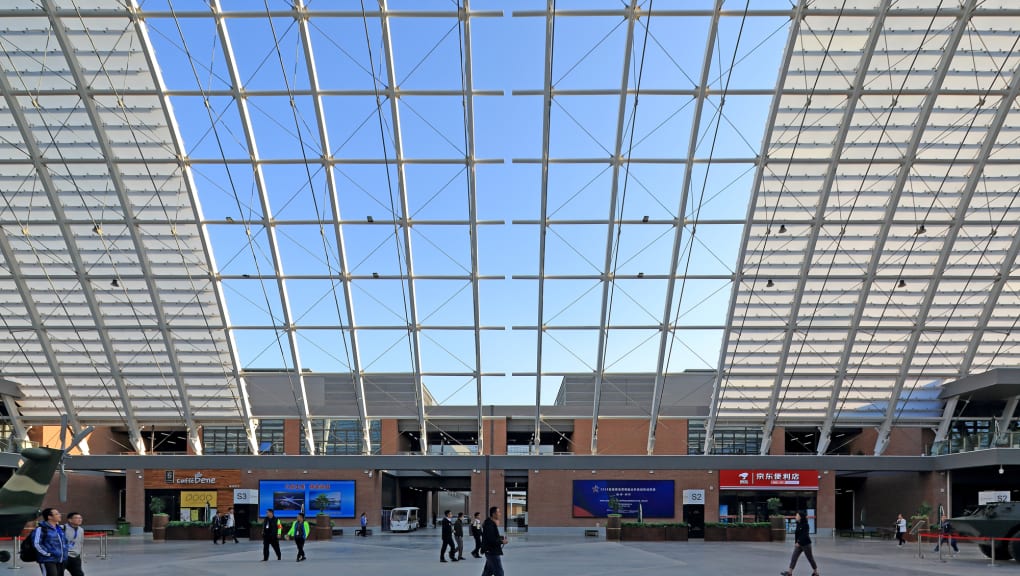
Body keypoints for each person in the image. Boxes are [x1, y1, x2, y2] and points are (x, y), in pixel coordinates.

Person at [780, 511, 818, 576]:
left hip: (806, 544)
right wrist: (796, 542)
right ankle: (789, 573)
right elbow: (797, 534)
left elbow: (805, 535)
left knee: (810, 558)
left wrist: (799, 542)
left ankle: (815, 573)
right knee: (794, 557)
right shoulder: (798, 523)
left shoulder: (806, 525)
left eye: (797, 515)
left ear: (800, 517)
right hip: (798, 544)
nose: (795, 517)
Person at [34, 507, 68, 576]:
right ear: (49, 517)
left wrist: (66, 551)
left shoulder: (60, 528)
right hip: (48, 559)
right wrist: (47, 554)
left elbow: (64, 542)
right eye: (57, 514)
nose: (60, 515)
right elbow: (37, 544)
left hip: (60, 559)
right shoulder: (41, 528)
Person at [481, 506, 508, 576]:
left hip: (490, 551)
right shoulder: (489, 525)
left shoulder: (490, 523)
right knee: (499, 573)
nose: (500, 514)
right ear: (493, 514)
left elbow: (492, 536)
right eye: (498, 512)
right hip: (492, 552)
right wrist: (502, 541)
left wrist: (500, 538)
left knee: (488, 572)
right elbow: (491, 540)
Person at [64, 511, 86, 576]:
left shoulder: (81, 530)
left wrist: (79, 553)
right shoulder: (62, 528)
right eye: (77, 518)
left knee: (79, 574)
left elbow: (81, 542)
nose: (80, 519)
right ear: (70, 520)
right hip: (64, 556)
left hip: (75, 556)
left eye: (80, 518)